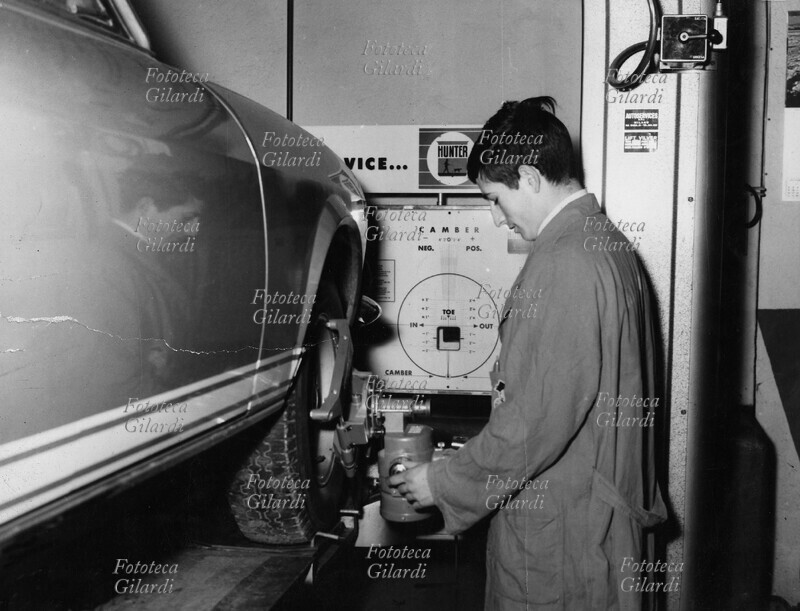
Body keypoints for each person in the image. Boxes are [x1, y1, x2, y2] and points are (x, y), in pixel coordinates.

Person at [389, 97, 666, 609]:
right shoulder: (604, 245)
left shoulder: (566, 263)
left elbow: (537, 419)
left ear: (530, 177)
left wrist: (444, 481)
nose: (497, 219)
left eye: (495, 198)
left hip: (563, 545)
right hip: (589, 524)